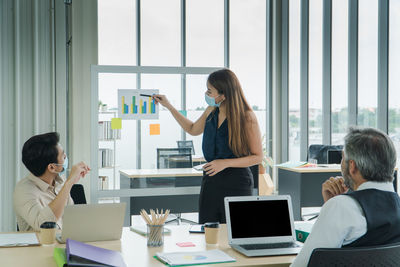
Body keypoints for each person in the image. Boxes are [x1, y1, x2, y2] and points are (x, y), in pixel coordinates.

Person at [153, 69, 263, 224]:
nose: (206, 94)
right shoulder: (211, 111)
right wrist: (168, 106)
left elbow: (258, 156)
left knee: (233, 233)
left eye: (210, 91)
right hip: (211, 181)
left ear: (223, 95)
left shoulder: (247, 117)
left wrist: (225, 163)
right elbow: (192, 129)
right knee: (207, 232)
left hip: (237, 183)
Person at [291, 127, 400, 267]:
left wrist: (334, 206)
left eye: (343, 158)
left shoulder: (341, 207)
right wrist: (333, 204)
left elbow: (301, 265)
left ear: (352, 166)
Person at [13, 132, 90, 231]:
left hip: (66, 242)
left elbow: (72, 219)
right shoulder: (23, 191)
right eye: (63, 156)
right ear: (52, 167)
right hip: (42, 245)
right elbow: (44, 225)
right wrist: (69, 183)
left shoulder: (59, 181)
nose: (66, 157)